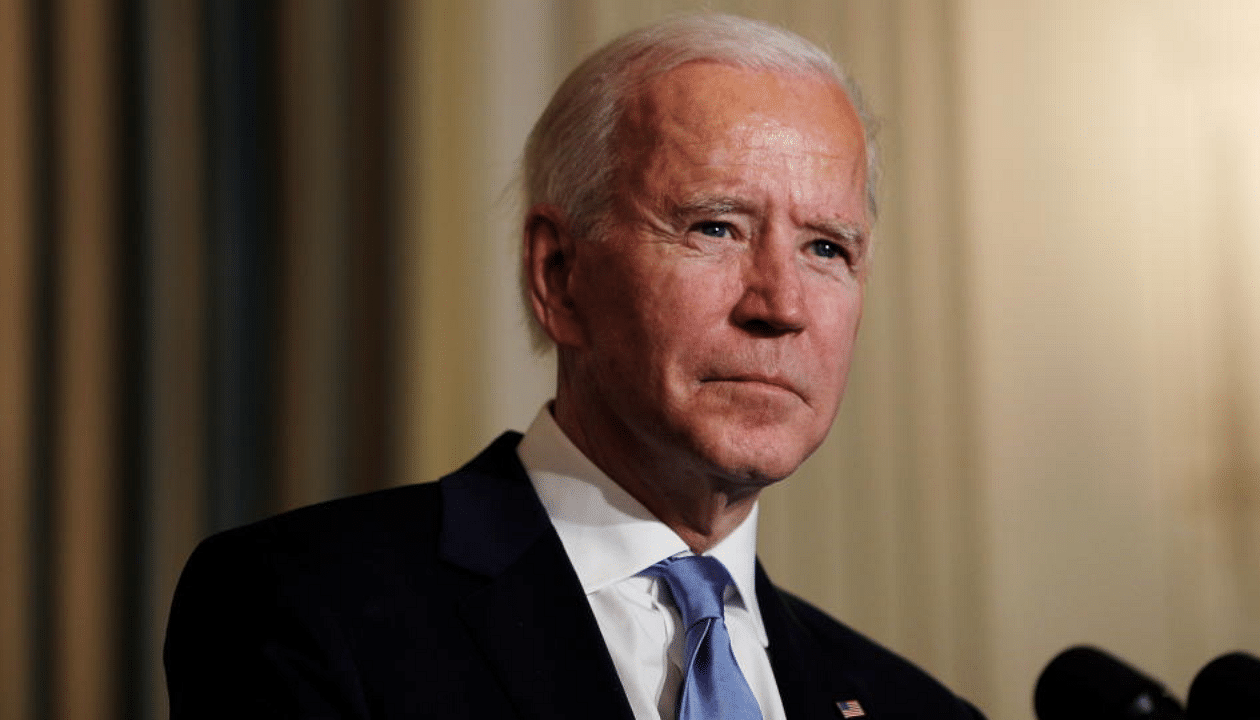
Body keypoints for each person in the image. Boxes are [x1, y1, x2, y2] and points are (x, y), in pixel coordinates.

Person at [165, 13, 986, 720]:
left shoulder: (914, 706)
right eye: (715, 228)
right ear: (558, 274)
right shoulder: (310, 606)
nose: (781, 303)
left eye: (826, 248)